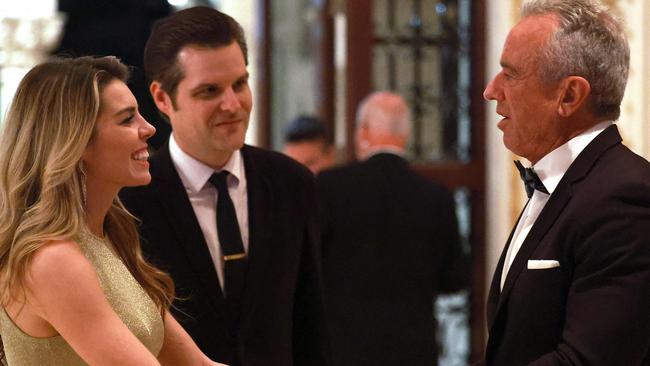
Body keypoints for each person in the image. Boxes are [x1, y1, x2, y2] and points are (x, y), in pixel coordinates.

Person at [119, 7, 329, 366]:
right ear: (162, 98)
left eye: (240, 84)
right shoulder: (129, 199)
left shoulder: (292, 183)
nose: (232, 104)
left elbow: (309, 322)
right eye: (209, 91)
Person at [0, 57, 224, 365]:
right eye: (127, 119)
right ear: (76, 141)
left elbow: (197, 364)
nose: (148, 129)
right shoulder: (53, 258)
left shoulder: (107, 237)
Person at [482, 0, 650, 364]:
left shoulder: (627, 197)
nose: (491, 90)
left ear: (569, 96)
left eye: (509, 74)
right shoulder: (562, 182)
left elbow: (587, 359)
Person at [316, 91, 466, 366]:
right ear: (406, 135)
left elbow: (307, 269)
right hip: (413, 351)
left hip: (343, 350)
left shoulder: (329, 187)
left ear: (363, 131)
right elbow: (453, 280)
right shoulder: (436, 197)